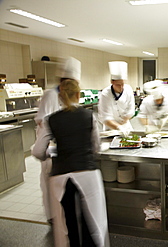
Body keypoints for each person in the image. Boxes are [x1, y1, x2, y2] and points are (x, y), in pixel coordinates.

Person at [32, 79, 110, 247]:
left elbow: (37, 151)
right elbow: (96, 147)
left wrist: (50, 153)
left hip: (61, 176)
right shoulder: (89, 116)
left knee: (67, 222)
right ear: (78, 94)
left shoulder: (50, 120)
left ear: (60, 97)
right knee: (93, 220)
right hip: (87, 173)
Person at [33, 57, 81, 224]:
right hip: (49, 147)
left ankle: (63, 216)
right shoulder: (50, 95)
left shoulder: (64, 97)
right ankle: (52, 217)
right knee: (49, 184)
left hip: (62, 150)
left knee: (62, 187)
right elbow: (43, 121)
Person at [98, 61, 135, 136]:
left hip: (126, 127)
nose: (121, 87)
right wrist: (118, 127)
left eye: (122, 84)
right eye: (118, 85)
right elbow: (105, 117)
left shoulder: (128, 89)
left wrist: (124, 121)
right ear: (112, 82)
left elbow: (131, 109)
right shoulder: (105, 94)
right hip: (110, 129)